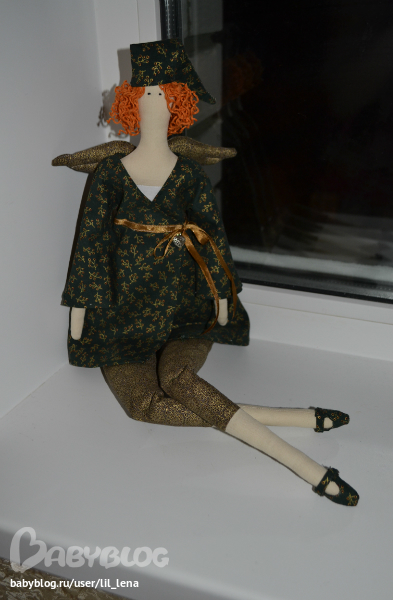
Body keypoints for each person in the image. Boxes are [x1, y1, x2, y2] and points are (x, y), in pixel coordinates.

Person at [61, 39, 359, 506]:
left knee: (178, 380)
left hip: (186, 310)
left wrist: (222, 295)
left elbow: (212, 237)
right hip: (120, 319)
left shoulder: (188, 175)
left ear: (178, 104)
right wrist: (81, 305)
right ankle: (297, 418)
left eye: (164, 94)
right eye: (145, 92)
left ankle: (310, 470)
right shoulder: (110, 175)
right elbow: (91, 241)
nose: (153, 101)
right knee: (143, 405)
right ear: (130, 101)